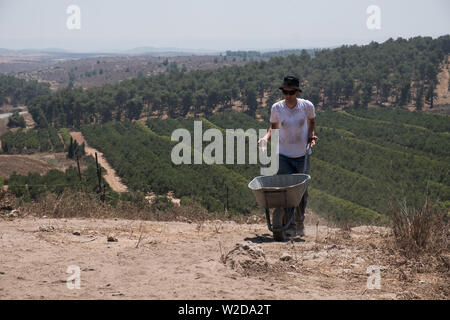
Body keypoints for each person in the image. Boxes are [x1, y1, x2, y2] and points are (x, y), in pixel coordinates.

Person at [258, 75, 318, 237]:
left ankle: (299, 222)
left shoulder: (307, 107)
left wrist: (311, 136)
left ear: (297, 92)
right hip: (283, 154)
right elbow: (273, 128)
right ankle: (288, 225)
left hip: (302, 154)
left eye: (291, 92)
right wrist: (266, 138)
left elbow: (312, 122)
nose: (288, 95)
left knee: (301, 191)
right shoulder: (277, 108)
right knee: (284, 190)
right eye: (285, 92)